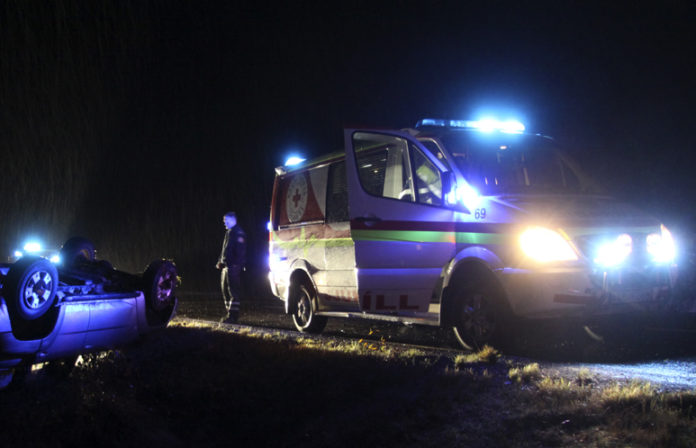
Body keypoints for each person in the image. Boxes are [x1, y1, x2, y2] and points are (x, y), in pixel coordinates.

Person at [216, 211, 247, 323]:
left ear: (233, 220)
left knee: (233, 291)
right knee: (225, 290)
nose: (224, 223)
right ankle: (229, 314)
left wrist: (235, 264)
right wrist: (220, 261)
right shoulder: (230, 232)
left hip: (233, 266)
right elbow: (225, 249)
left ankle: (233, 317)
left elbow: (240, 251)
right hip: (227, 266)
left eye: (226, 220)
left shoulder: (238, 232)